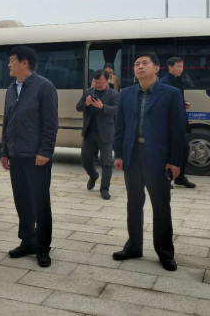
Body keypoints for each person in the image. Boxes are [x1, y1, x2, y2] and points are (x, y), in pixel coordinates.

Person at [113, 53, 186, 272]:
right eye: (136, 64)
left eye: (145, 63)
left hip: (159, 158)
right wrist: (119, 155)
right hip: (132, 155)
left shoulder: (171, 94)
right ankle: (133, 246)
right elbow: (120, 126)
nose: (140, 67)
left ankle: (165, 252)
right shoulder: (126, 94)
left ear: (156, 68)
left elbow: (178, 130)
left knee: (161, 206)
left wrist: (174, 161)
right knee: (133, 203)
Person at [1, 46, 59, 268]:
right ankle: (27, 241)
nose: (9, 64)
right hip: (16, 155)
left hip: (36, 157)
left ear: (25, 63)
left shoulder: (44, 86)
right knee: (22, 201)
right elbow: (7, 122)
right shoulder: (10, 89)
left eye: (12, 60)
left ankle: (43, 247)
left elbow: (50, 123)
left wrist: (45, 151)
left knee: (40, 202)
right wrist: (5, 151)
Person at [76, 69, 120, 200]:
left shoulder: (114, 94)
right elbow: (78, 107)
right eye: (96, 82)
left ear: (107, 81)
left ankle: (104, 188)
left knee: (106, 162)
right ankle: (93, 175)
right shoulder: (88, 92)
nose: (98, 85)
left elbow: (117, 110)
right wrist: (86, 104)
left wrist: (102, 107)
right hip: (89, 133)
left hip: (105, 133)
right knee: (85, 159)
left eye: (101, 82)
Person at [160, 57, 196, 189]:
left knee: (184, 149)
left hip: (179, 121)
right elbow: (164, 105)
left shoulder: (178, 80)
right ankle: (166, 178)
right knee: (169, 152)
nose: (181, 69)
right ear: (170, 67)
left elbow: (175, 101)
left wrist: (183, 103)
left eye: (182, 66)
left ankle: (179, 178)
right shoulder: (165, 83)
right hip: (170, 123)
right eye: (178, 66)